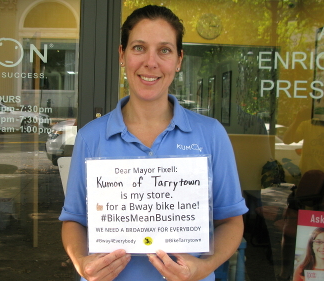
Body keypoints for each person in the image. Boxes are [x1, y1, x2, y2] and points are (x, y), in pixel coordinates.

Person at [59, 5, 247, 281]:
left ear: (179, 60)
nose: (151, 62)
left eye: (165, 50)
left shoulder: (211, 134)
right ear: (122, 55)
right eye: (138, 48)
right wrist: (81, 263)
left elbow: (231, 221)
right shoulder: (91, 137)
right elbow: (74, 219)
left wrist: (203, 267)